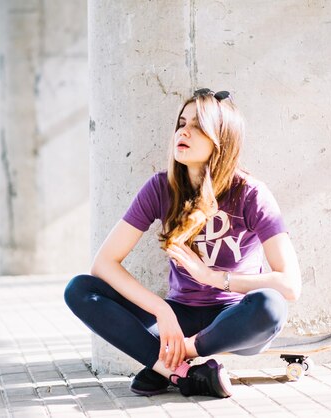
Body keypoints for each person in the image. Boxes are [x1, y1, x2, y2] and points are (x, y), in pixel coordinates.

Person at [64, 88, 302, 398]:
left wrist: (213, 279)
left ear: (221, 139)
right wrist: (162, 311)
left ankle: (171, 362)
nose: (183, 131)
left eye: (197, 125)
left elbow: (290, 285)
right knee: (80, 289)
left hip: (235, 321)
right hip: (179, 316)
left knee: (271, 305)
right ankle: (184, 374)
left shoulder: (251, 194)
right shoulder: (160, 188)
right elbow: (104, 264)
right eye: (181, 123)